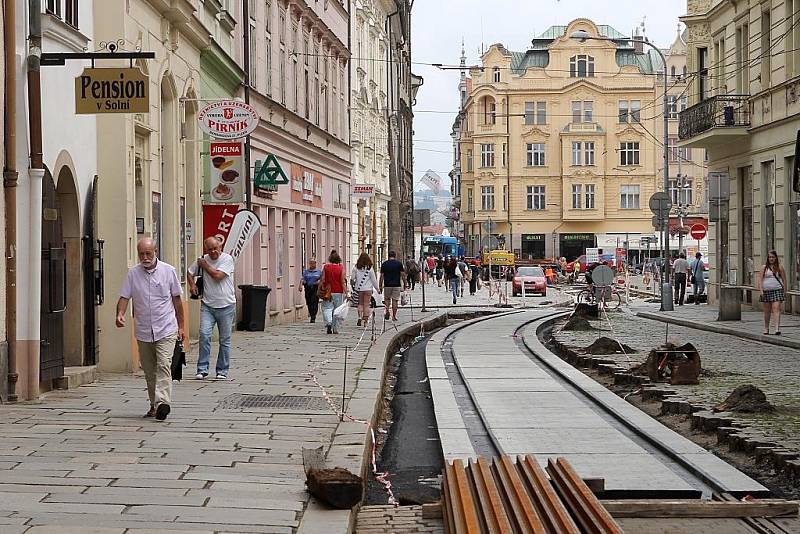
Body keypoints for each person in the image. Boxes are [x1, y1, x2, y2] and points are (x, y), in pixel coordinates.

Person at [116, 238, 184, 421]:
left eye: (148, 253)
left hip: (166, 328)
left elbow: (177, 300)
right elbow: (124, 296)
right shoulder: (133, 274)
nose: (145, 257)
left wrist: (182, 326)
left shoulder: (168, 271)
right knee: (149, 369)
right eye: (141, 254)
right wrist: (120, 314)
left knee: (163, 364)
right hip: (144, 330)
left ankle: (162, 403)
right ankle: (154, 405)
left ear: (156, 252)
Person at [188, 237, 236, 380]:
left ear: (220, 247)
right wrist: (192, 285)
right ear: (206, 250)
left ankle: (222, 370)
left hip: (226, 305)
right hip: (208, 305)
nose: (213, 251)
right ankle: (202, 369)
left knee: (224, 340)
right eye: (210, 249)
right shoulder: (203, 259)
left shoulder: (227, 259)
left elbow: (217, 276)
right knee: (204, 335)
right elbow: (190, 273)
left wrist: (205, 265)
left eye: (215, 248)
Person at [758, 250, 788, 335]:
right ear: (768, 258)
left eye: (773, 257)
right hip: (766, 291)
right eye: (770, 257)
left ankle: (777, 328)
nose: (771, 259)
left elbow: (784, 280)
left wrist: (784, 291)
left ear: (776, 258)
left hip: (777, 290)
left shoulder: (779, 267)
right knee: (767, 311)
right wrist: (761, 291)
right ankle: (766, 328)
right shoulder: (764, 268)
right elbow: (760, 280)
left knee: (776, 309)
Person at [319, 250, 347, 334]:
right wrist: (346, 292)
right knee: (336, 310)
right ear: (339, 259)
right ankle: (335, 328)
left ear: (330, 259)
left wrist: (321, 287)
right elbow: (342, 281)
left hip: (327, 291)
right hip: (338, 291)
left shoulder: (326, 267)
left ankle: (329, 322)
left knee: (327, 308)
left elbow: (323, 279)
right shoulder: (341, 268)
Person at [351, 252, 378, 327]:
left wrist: (353, 285)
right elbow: (373, 280)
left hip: (359, 289)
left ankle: (359, 317)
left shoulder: (356, 267)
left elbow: (352, 278)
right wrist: (377, 289)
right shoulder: (370, 268)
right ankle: (365, 321)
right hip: (368, 289)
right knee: (366, 305)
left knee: (359, 304)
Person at [379, 250, 406, 321]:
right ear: (395, 256)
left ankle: (387, 310)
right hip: (396, 285)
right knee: (395, 301)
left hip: (387, 285)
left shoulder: (384, 264)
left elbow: (381, 276)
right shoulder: (399, 264)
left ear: (388, 256)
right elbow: (402, 274)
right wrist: (405, 283)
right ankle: (394, 316)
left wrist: (380, 285)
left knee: (387, 299)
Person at [298, 258, 322, 323]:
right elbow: (303, 279)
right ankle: (311, 314)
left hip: (315, 288)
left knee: (314, 301)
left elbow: (322, 279)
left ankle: (313, 316)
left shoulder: (318, 271)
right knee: (309, 302)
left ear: (315, 264)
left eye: (313, 263)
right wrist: (300, 285)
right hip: (308, 288)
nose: (312, 264)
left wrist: (319, 282)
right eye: (310, 263)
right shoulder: (306, 272)